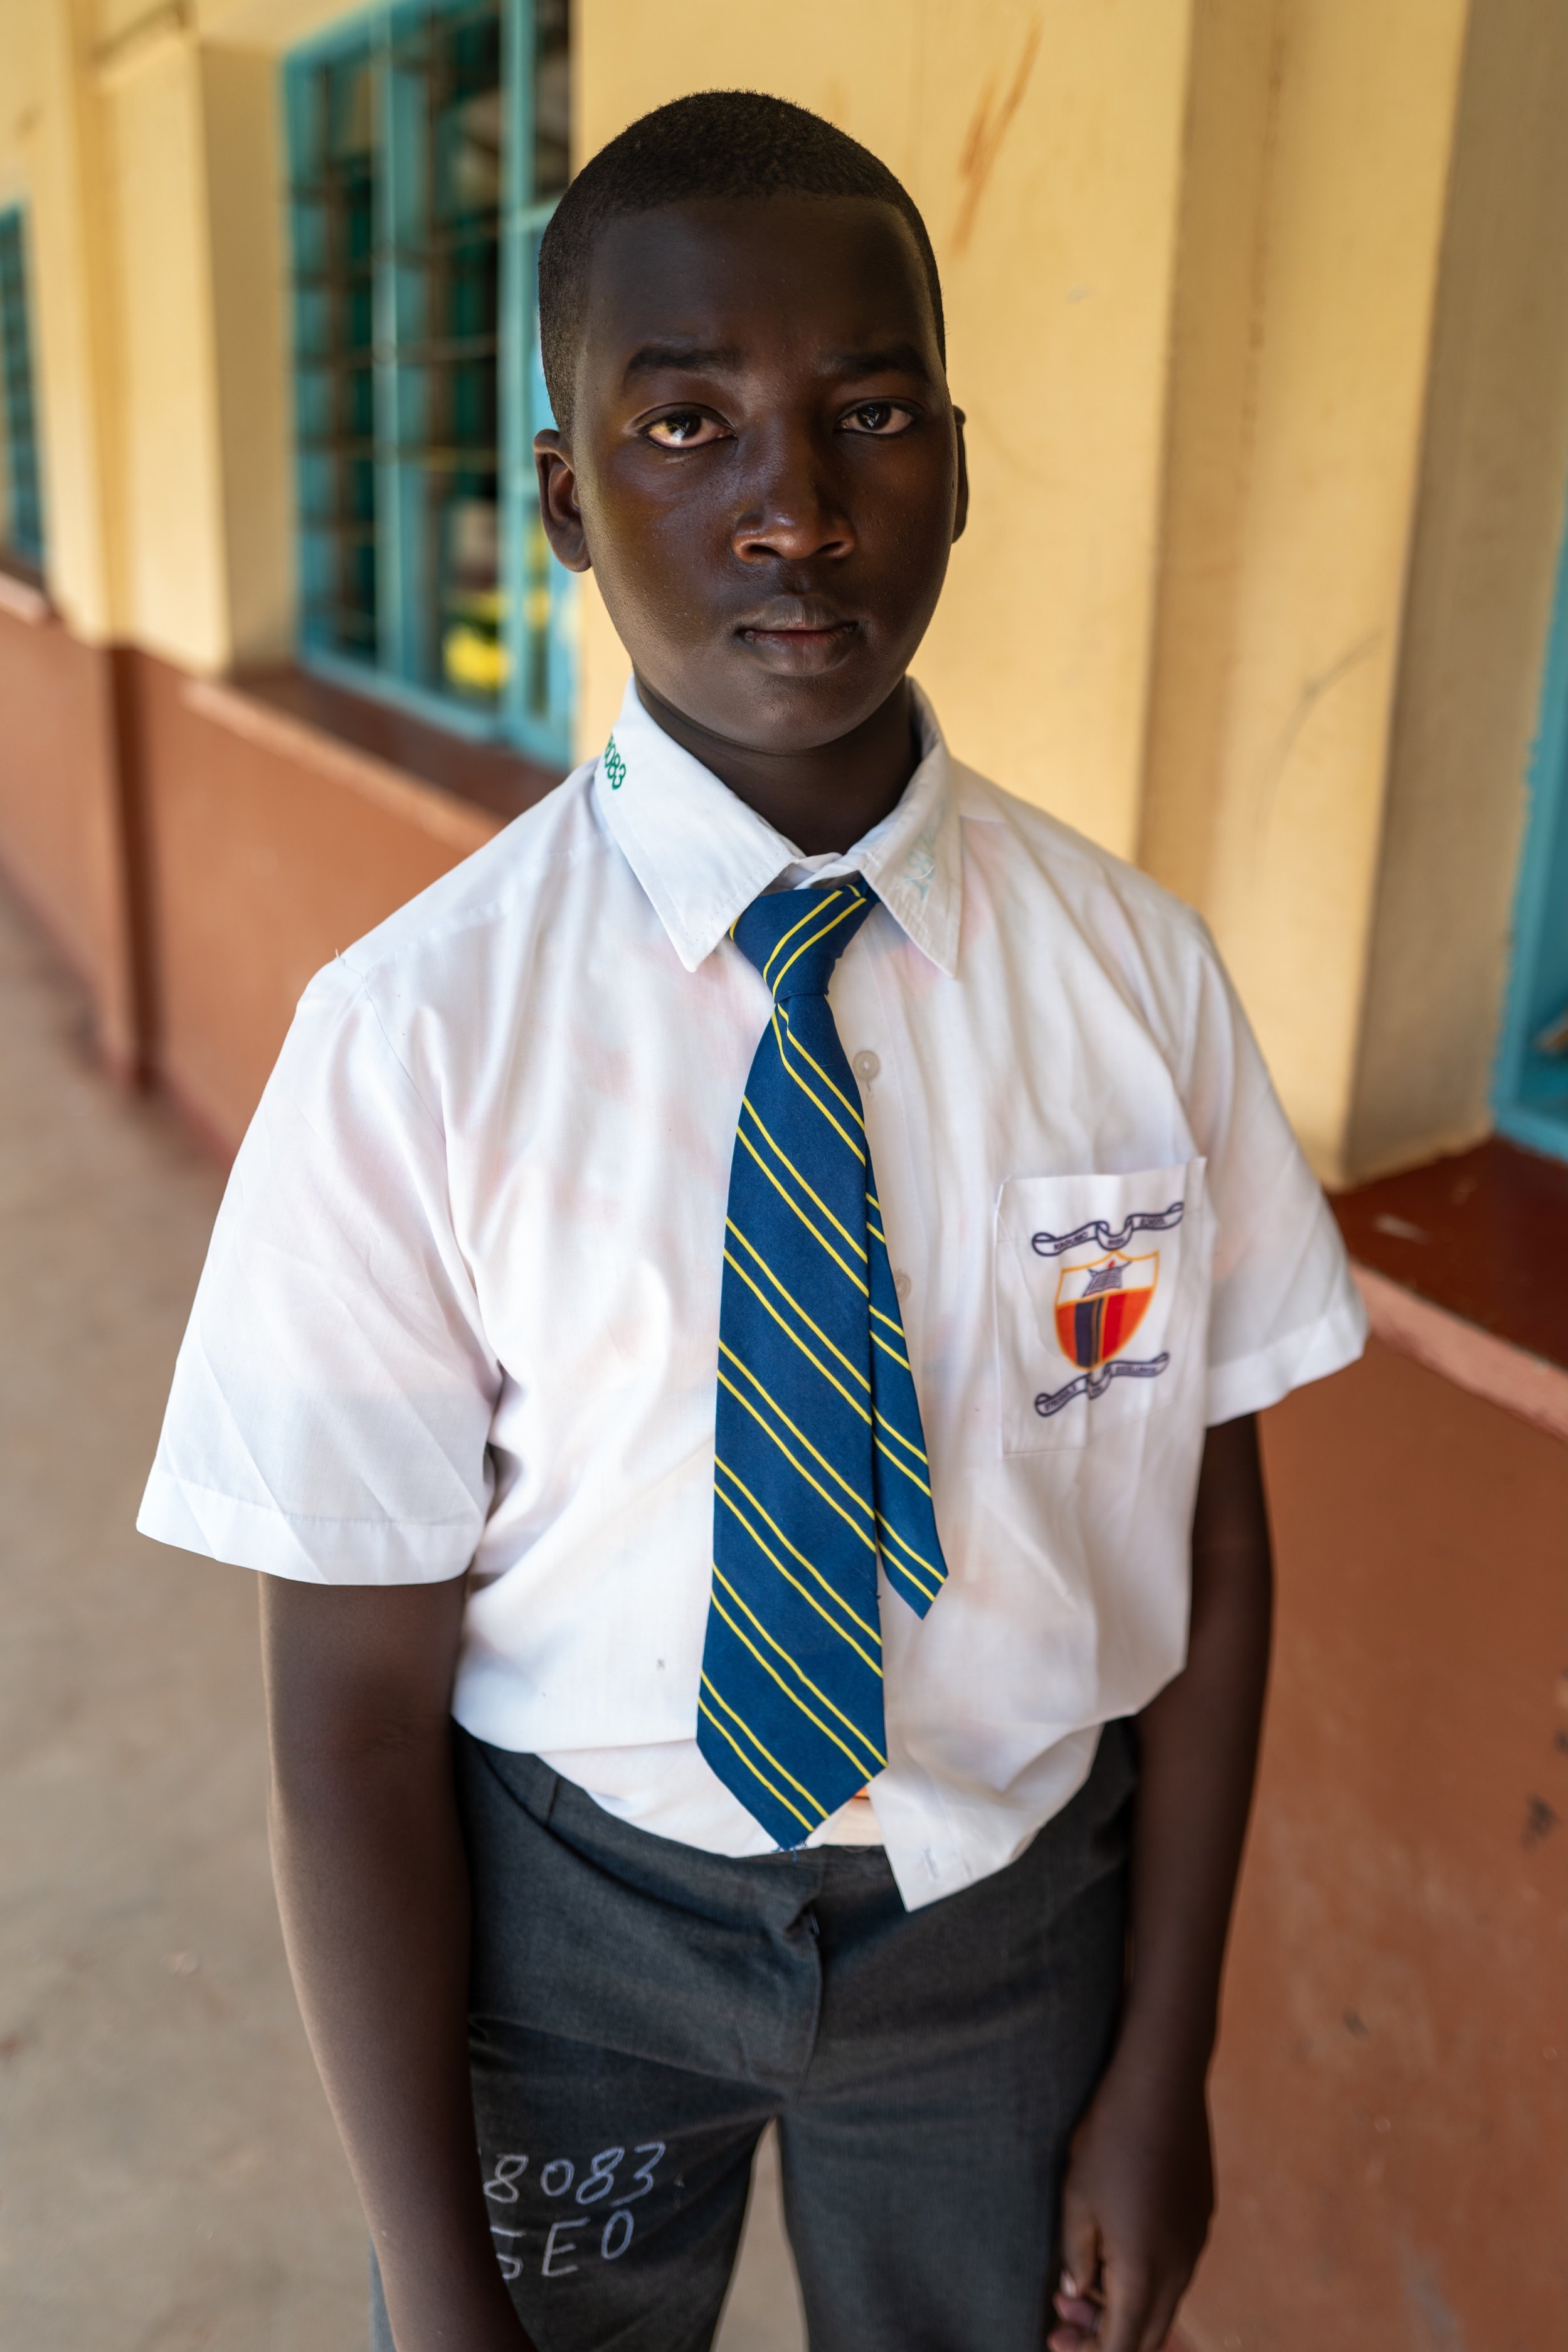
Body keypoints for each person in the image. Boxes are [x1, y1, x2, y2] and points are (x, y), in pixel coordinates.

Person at [139, 90, 1365, 2352]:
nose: (792, 510)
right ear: (562, 498)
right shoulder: (413, 1035)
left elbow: (1212, 1541)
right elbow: (344, 1699)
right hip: (566, 1937)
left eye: (866, 414)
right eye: (683, 422)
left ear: (960, 466)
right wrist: (437, 2280)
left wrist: (1159, 2068)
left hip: (1010, 1930)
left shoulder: (1134, 979)